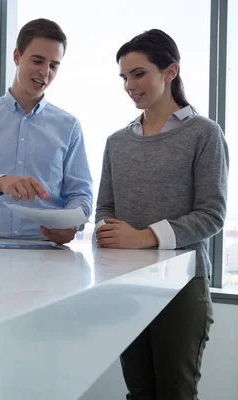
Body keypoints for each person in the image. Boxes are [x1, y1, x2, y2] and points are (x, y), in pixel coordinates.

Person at [95, 29, 228, 399]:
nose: (129, 85)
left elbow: (212, 215)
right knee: (138, 392)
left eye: (138, 74)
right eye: (124, 77)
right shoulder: (116, 142)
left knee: (176, 393)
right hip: (127, 286)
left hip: (183, 288)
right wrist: (105, 233)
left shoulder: (204, 134)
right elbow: (104, 208)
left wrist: (143, 237)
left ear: (170, 72)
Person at [0, 18, 93, 245]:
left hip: (48, 255)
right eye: (38, 60)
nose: (45, 72)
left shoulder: (69, 125)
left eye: (54, 65)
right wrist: (0, 182)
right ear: (16, 57)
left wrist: (72, 225)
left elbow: (81, 194)